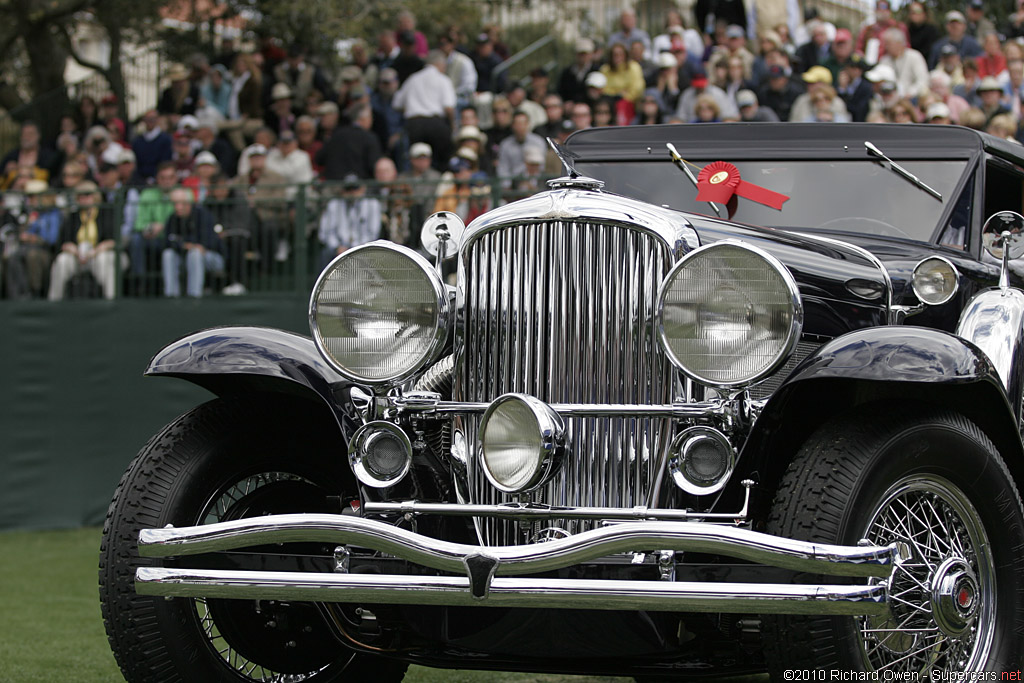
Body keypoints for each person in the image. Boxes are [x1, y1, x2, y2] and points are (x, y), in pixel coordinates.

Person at [48, 181, 120, 300]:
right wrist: (75, 251)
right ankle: (54, 301)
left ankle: (111, 302)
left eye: (88, 195)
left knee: (103, 260)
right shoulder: (73, 217)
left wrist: (96, 251)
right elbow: (63, 241)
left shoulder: (107, 213)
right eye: (80, 196)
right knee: (62, 260)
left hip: (100, 254)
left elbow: (114, 240)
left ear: (95, 196)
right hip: (79, 256)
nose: (84, 199)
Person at [392, 51, 456, 172]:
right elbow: (449, 107)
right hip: (436, 125)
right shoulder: (443, 80)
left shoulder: (413, 79)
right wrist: (453, 126)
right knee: (443, 162)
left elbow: (397, 104)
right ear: (440, 64)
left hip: (414, 124)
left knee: (415, 161)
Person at [161, 186, 224, 297]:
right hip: (184, 256)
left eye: (181, 204)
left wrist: (191, 245)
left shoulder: (202, 214)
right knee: (168, 254)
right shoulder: (173, 218)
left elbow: (210, 240)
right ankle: (171, 295)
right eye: (175, 204)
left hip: (212, 258)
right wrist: (185, 245)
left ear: (188, 203)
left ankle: (194, 297)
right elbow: (168, 241)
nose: (178, 207)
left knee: (194, 254)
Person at [4, 179, 61, 299]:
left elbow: (52, 238)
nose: (29, 200)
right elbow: (23, 234)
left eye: (32, 197)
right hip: (27, 248)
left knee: (32, 256)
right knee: (12, 257)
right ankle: (19, 295)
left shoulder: (54, 214)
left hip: (46, 251)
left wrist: (35, 238)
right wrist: (27, 227)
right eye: (28, 197)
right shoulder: (32, 213)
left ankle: (36, 293)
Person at [317, 175, 382, 267]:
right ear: (342, 191)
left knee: (374, 253)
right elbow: (326, 233)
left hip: (364, 247)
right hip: (339, 248)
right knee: (326, 253)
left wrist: (356, 248)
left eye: (355, 189)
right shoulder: (333, 205)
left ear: (363, 189)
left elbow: (373, 233)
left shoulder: (372, 204)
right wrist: (337, 247)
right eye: (348, 189)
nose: (352, 193)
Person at [130, 161, 178, 283]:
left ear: (176, 178)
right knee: (136, 239)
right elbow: (139, 224)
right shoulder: (147, 194)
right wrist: (150, 229)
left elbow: (185, 222)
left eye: (170, 177)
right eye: (163, 178)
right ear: (157, 179)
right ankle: (140, 282)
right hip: (154, 238)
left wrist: (163, 226)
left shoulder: (184, 194)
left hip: (175, 238)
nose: (167, 181)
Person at [316, 103, 381, 180]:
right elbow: (374, 166)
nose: (372, 120)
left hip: (334, 187)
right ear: (362, 119)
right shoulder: (370, 138)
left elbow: (319, 159)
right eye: (370, 117)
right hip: (361, 188)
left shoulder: (336, 134)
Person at [0, 121, 59, 189]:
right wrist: (5, 171)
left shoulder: (48, 156)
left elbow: (54, 178)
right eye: (24, 134)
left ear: (38, 135)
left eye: (30, 134)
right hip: (13, 195)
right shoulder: (11, 156)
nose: (26, 137)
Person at [878, 28, 930, 100]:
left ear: (899, 43)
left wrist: (910, 93)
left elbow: (923, 81)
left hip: (913, 97)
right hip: (890, 98)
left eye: (888, 43)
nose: (886, 47)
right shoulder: (884, 60)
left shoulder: (914, 56)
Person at [496, 111, 546, 184]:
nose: (521, 127)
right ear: (512, 126)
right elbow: (503, 169)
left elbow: (542, 168)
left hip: (535, 184)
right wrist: (507, 188)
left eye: (523, 123)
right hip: (513, 184)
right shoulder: (505, 145)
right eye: (518, 124)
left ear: (528, 124)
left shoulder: (538, 142)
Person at [557, 38, 599, 106]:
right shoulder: (566, 73)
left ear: (591, 54)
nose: (583, 56)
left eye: (585, 53)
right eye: (580, 53)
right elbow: (561, 92)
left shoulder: (597, 71)